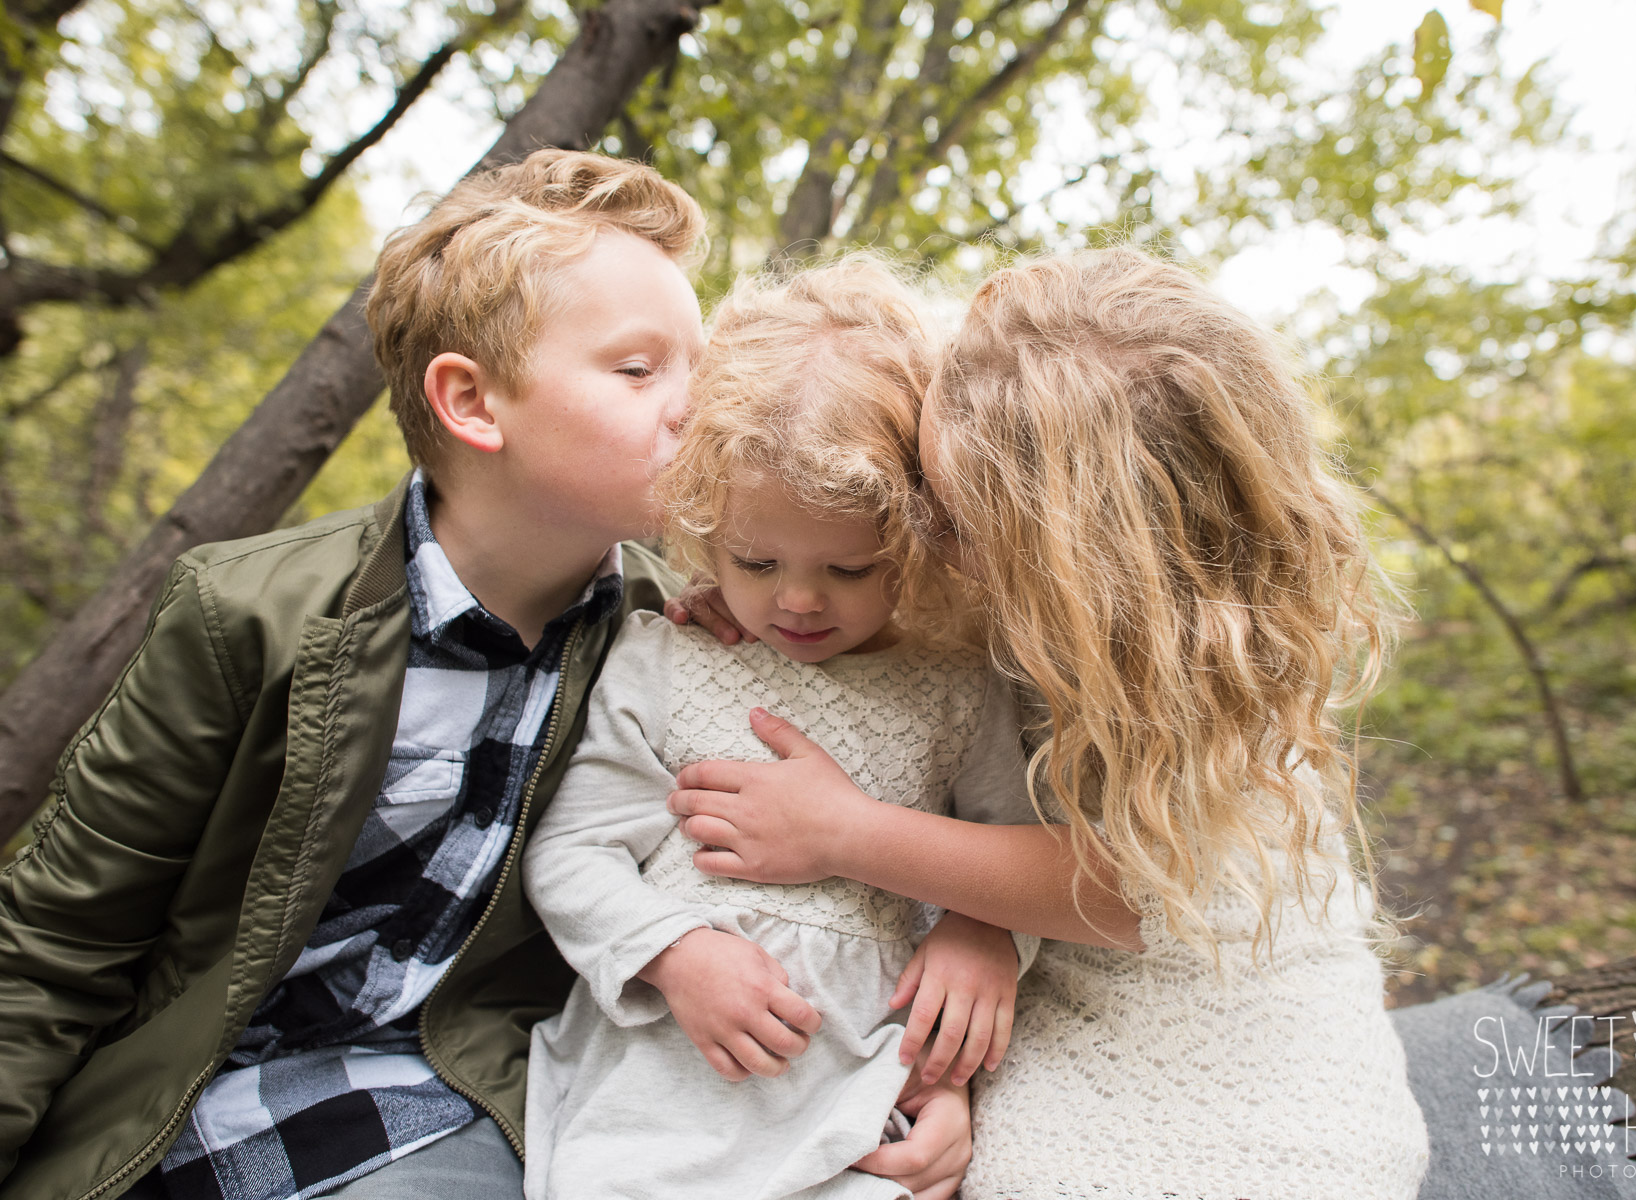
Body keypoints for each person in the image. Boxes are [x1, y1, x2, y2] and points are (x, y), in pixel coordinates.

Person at [0, 151, 971, 1200]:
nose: (702, 409)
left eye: (704, 366)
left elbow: (862, 845)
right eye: (640, 371)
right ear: (472, 402)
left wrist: (946, 1029)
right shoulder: (251, 617)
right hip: (180, 1106)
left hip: (450, 1103)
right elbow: (54, 945)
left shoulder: (698, 633)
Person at [666, 246, 1434, 1197]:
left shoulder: (1194, 665)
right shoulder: (981, 462)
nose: (925, 535)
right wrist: (736, 599)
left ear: (1077, 558)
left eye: (950, 518)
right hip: (1031, 974)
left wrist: (851, 836)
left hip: (1213, 1021)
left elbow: (1132, 889)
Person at [521, 258, 1038, 1200]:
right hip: (664, 1092)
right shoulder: (670, 659)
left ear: (923, 536)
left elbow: (1014, 848)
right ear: (704, 526)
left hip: (858, 1095)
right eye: (756, 559)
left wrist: (980, 927)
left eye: (849, 568)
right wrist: (676, 953)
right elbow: (572, 855)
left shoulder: (960, 686)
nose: (797, 600)